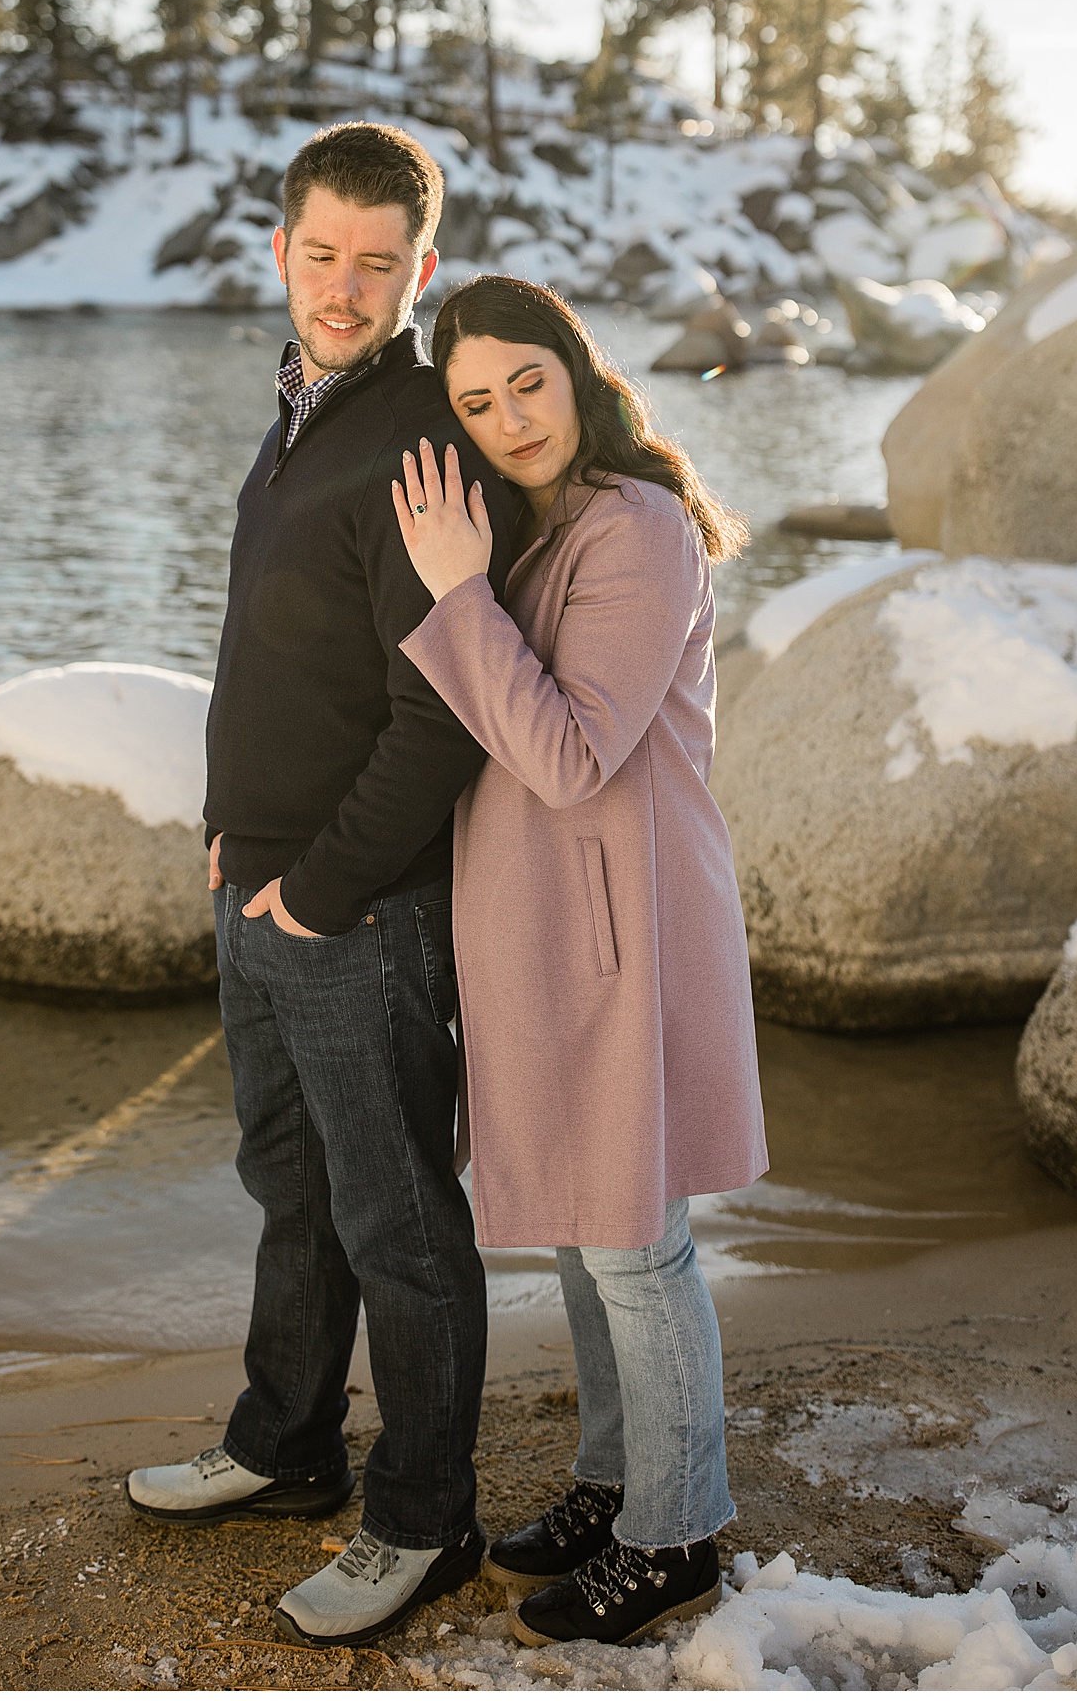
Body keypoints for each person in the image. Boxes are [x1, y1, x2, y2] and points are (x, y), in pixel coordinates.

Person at [125, 126, 518, 1650]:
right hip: (264, 886)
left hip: (360, 912)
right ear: (280, 249)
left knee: (401, 1221)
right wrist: (239, 834)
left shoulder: (421, 435)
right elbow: (282, 653)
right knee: (290, 1191)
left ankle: (426, 1517)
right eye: (320, 255)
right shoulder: (303, 405)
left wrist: (326, 888)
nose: (343, 288)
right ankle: (287, 1445)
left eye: (377, 264)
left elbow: (441, 708)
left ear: (421, 269)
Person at [391, 273, 769, 1649]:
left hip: (626, 923)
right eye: (475, 404)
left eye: (525, 385)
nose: (507, 420)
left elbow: (565, 750)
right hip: (549, 922)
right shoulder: (547, 524)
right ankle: (618, 1481)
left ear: (576, 368)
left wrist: (452, 592)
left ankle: (676, 1533)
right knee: (580, 1227)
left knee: (634, 1241)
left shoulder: (639, 525)